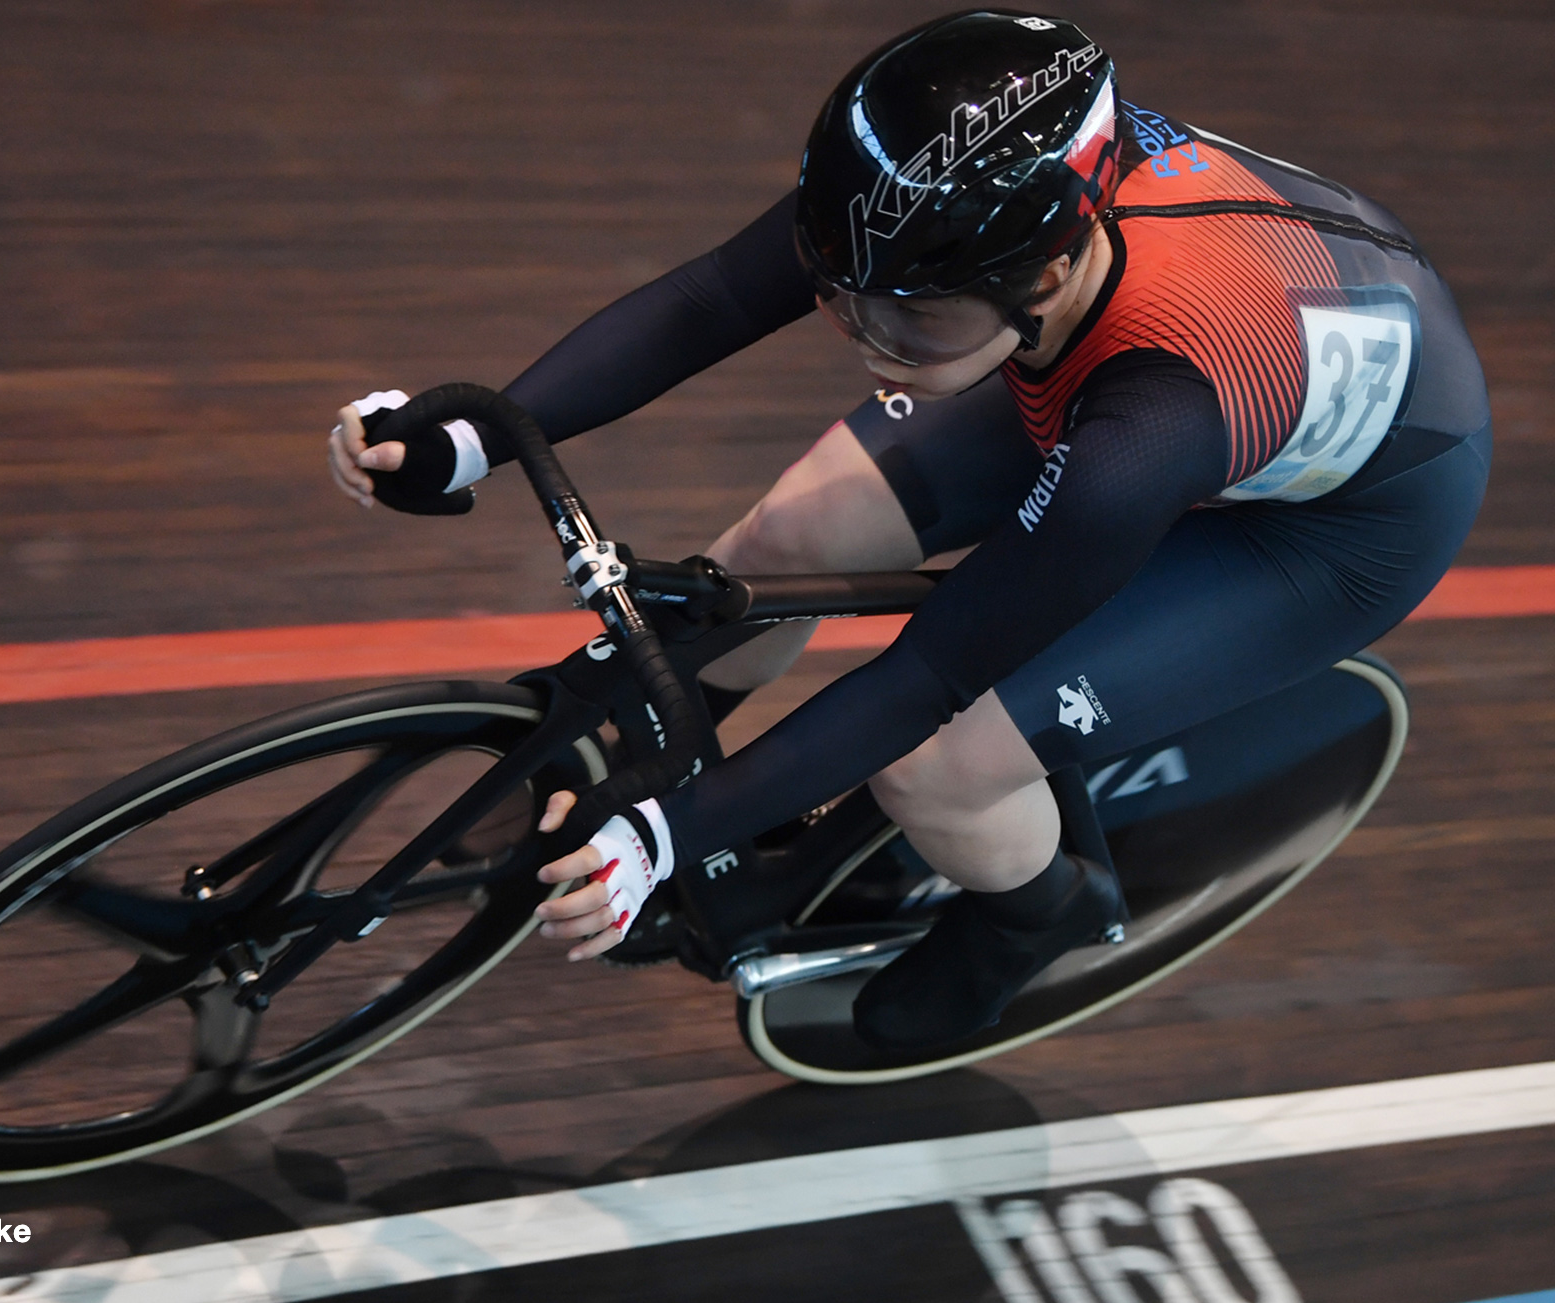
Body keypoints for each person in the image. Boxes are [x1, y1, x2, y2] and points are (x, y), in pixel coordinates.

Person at [324, 9, 1490, 1054]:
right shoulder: (934, 205)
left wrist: (666, 836)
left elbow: (925, 677)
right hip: (1127, 356)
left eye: (911, 319)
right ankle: (664, 743)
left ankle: (1038, 915)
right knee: (789, 535)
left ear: (1049, 267)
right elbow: (711, 300)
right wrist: (466, 438)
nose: (868, 342)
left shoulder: (1149, 419)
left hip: (1330, 531)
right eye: (842, 296)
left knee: (939, 765)